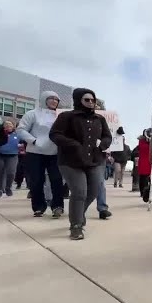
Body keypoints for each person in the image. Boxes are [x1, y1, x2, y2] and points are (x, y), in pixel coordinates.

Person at [49, 88, 112, 240]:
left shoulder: (99, 119)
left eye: (93, 100)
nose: (90, 103)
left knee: (94, 191)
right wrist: (74, 145)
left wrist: (103, 144)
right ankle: (76, 226)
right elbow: (54, 134)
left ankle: (78, 213)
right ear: (78, 100)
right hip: (71, 161)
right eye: (87, 100)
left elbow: (107, 136)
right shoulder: (66, 117)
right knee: (79, 192)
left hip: (95, 160)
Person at [16, 90, 65, 218]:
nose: (54, 101)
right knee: (36, 180)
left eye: (56, 99)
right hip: (35, 152)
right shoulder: (32, 114)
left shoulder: (61, 116)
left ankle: (57, 206)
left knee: (57, 180)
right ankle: (38, 207)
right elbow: (21, 130)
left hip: (55, 152)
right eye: (51, 98)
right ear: (44, 99)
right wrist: (34, 140)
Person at [0, 120, 20, 198]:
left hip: (12, 156)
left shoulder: (17, 135)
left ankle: (8, 188)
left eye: (10, 125)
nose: (8, 127)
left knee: (11, 172)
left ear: (13, 126)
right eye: (6, 125)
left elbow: (24, 143)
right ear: (3, 126)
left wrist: (21, 146)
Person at [137, 129, 152, 202]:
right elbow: (143, 148)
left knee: (150, 178)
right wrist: (148, 142)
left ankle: (151, 191)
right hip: (143, 161)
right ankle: (142, 191)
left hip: (150, 161)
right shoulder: (141, 141)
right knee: (143, 178)